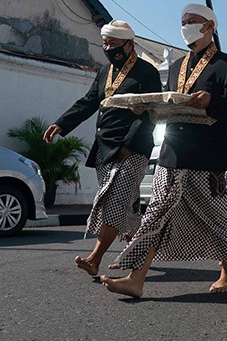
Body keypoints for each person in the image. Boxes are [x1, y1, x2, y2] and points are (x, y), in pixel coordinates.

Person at [101, 3, 227, 298]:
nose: (186, 26)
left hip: (207, 155)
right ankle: (136, 278)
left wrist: (211, 100)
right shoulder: (178, 66)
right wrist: (146, 108)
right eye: (183, 21)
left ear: (209, 27)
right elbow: (169, 105)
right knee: (156, 213)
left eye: (192, 21)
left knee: (215, 216)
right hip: (173, 150)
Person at [44, 20, 162, 277]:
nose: (108, 48)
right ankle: (137, 249)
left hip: (133, 148)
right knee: (126, 204)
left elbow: (150, 113)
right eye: (105, 43)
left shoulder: (147, 72)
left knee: (116, 200)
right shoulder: (104, 71)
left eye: (113, 44)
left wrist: (130, 145)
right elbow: (88, 102)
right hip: (104, 147)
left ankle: (95, 258)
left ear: (129, 45)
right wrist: (61, 124)